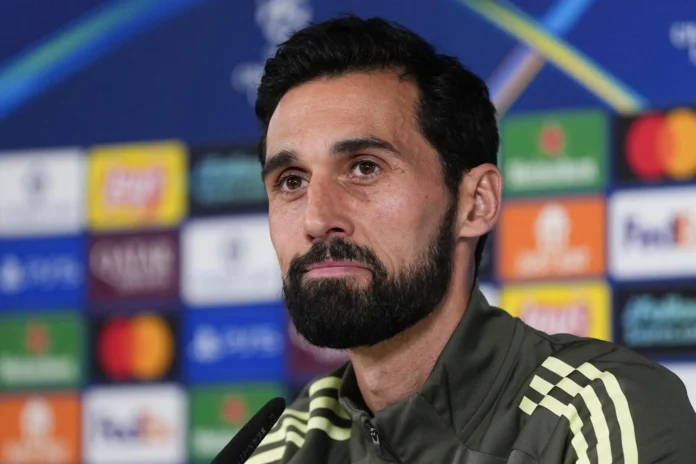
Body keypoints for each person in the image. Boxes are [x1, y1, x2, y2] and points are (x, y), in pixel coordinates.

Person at [244, 15, 696, 464]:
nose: (317, 217)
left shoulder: (598, 412)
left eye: (365, 168)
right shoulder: (285, 446)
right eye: (291, 181)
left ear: (476, 203)